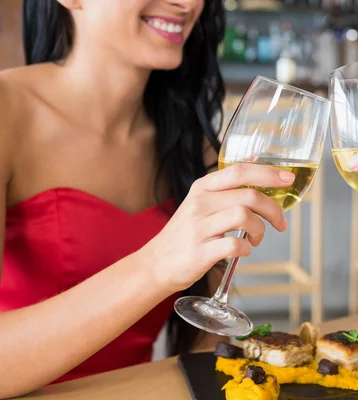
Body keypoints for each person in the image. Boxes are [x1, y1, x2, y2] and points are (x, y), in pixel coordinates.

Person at [0, 0, 292, 398]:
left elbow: (202, 342)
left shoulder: (193, 145)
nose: (188, 3)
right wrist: (155, 268)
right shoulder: (7, 109)